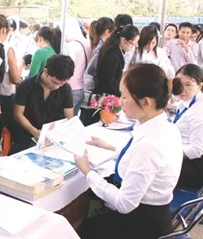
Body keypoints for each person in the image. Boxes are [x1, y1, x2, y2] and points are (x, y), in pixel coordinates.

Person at [75, 63, 183, 239]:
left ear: (146, 102)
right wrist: (111, 148)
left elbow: (124, 204)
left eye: (125, 97)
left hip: (143, 224)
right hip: (153, 213)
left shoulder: (150, 145)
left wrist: (88, 172)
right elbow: (141, 160)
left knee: (81, 228)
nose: (120, 101)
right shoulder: (162, 127)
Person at [11, 54, 75, 155]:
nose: (57, 87)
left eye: (61, 84)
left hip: (53, 139)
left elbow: (69, 118)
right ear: (46, 72)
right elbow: (18, 114)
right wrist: (35, 132)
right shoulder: (27, 86)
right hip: (27, 137)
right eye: (54, 82)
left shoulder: (65, 89)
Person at [171, 64, 203, 189]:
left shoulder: (199, 111)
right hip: (181, 157)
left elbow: (196, 149)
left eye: (188, 84)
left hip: (192, 166)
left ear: (200, 86)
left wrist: (168, 153)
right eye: (179, 83)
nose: (182, 89)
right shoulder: (189, 101)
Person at [0, 14, 22, 140]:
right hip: (6, 98)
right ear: (4, 30)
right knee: (5, 133)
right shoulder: (7, 48)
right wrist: (23, 63)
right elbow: (15, 78)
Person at [94, 25, 139, 96]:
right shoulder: (112, 55)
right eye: (132, 44)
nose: (132, 47)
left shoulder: (115, 51)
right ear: (124, 40)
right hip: (107, 96)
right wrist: (122, 94)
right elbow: (107, 83)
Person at [59, 18, 92, 115]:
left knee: (65, 122)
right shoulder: (86, 43)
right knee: (72, 120)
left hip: (70, 88)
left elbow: (67, 67)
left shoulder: (72, 46)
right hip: (81, 88)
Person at [84, 17, 115, 91]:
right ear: (107, 32)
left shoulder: (99, 44)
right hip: (90, 86)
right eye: (113, 31)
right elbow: (91, 69)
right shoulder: (101, 47)